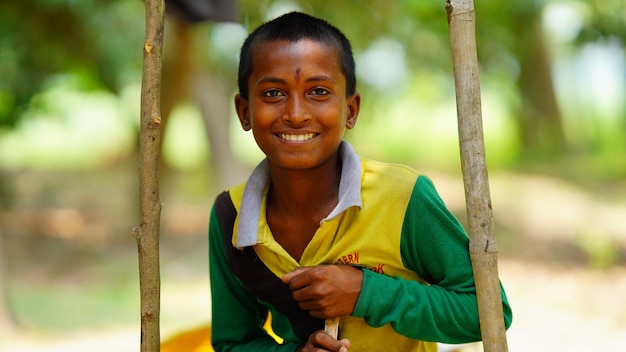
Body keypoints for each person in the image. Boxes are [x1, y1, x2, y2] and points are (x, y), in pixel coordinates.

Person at [208, 11, 512, 352]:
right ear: (244, 111)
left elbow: (488, 312)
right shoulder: (230, 217)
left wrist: (366, 293)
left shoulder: (401, 197)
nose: (295, 114)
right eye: (273, 94)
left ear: (350, 110)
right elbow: (233, 342)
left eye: (319, 91)